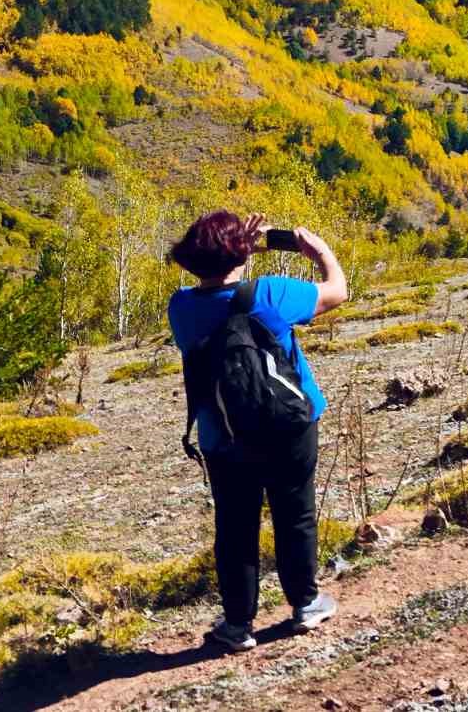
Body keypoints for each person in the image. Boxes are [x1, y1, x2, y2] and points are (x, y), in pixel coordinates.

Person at [166, 210, 349, 652]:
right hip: (290, 425)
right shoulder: (271, 294)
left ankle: (236, 624)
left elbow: (218, 281)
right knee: (295, 514)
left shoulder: (182, 307)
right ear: (241, 254)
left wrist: (237, 248)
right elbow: (337, 292)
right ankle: (305, 604)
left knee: (234, 526)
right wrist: (317, 249)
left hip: (223, 436)